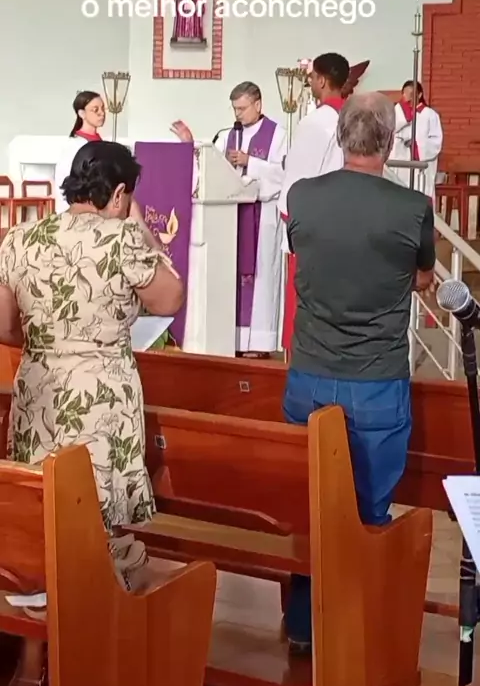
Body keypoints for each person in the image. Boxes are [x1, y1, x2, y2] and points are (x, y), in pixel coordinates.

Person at [0, 140, 184, 686]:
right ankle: (96, 660)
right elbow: (169, 299)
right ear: (120, 192)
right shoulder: (122, 238)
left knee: (40, 525)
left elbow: (4, 325)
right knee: (99, 523)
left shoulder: (21, 238)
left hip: (39, 390)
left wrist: (48, 343)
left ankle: (32, 660)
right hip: (102, 396)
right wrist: (141, 228)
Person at [283, 92, 436, 652]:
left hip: (309, 374)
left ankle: (304, 626)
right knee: (369, 509)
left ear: (341, 136)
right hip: (376, 379)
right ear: (390, 142)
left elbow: (303, 252)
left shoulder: (303, 196)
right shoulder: (412, 208)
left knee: (312, 503)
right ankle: (353, 634)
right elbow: (423, 276)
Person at [171, 81, 286, 357]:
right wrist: (189, 143)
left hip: (261, 217)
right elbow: (210, 167)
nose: (238, 114)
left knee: (260, 281)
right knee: (230, 278)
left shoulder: (277, 134)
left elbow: (283, 174)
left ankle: (258, 344)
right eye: (235, 109)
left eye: (243, 108)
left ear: (258, 104)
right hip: (230, 218)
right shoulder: (226, 136)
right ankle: (230, 339)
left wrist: (250, 162)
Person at [278, 52, 351, 354]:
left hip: (310, 227)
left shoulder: (315, 123)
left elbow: (297, 180)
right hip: (342, 221)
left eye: (311, 78)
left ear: (321, 80)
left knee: (302, 310)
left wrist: (287, 218)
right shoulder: (352, 118)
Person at [54, 91, 106, 212]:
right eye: (95, 110)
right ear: (82, 113)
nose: (102, 113)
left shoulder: (100, 142)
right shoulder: (75, 145)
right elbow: (66, 180)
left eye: (103, 108)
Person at [391, 80, 443, 199]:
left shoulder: (430, 115)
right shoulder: (399, 114)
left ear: (419, 95)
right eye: (405, 94)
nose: (408, 98)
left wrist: (416, 145)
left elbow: (436, 142)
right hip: (401, 164)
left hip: (420, 168)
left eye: (411, 94)